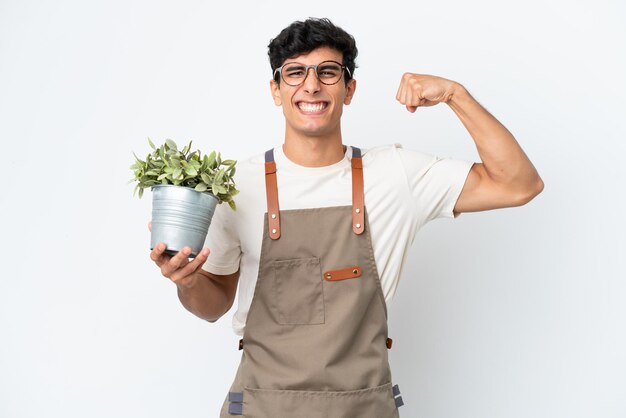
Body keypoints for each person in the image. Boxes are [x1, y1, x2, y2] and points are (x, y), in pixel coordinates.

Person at [149, 17, 543, 417]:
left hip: (363, 408)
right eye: (295, 72)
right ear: (276, 89)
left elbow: (518, 184)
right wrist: (188, 280)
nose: (311, 85)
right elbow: (212, 304)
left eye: (328, 72)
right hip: (262, 407)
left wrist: (456, 95)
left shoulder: (394, 175)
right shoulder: (237, 186)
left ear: (349, 88)